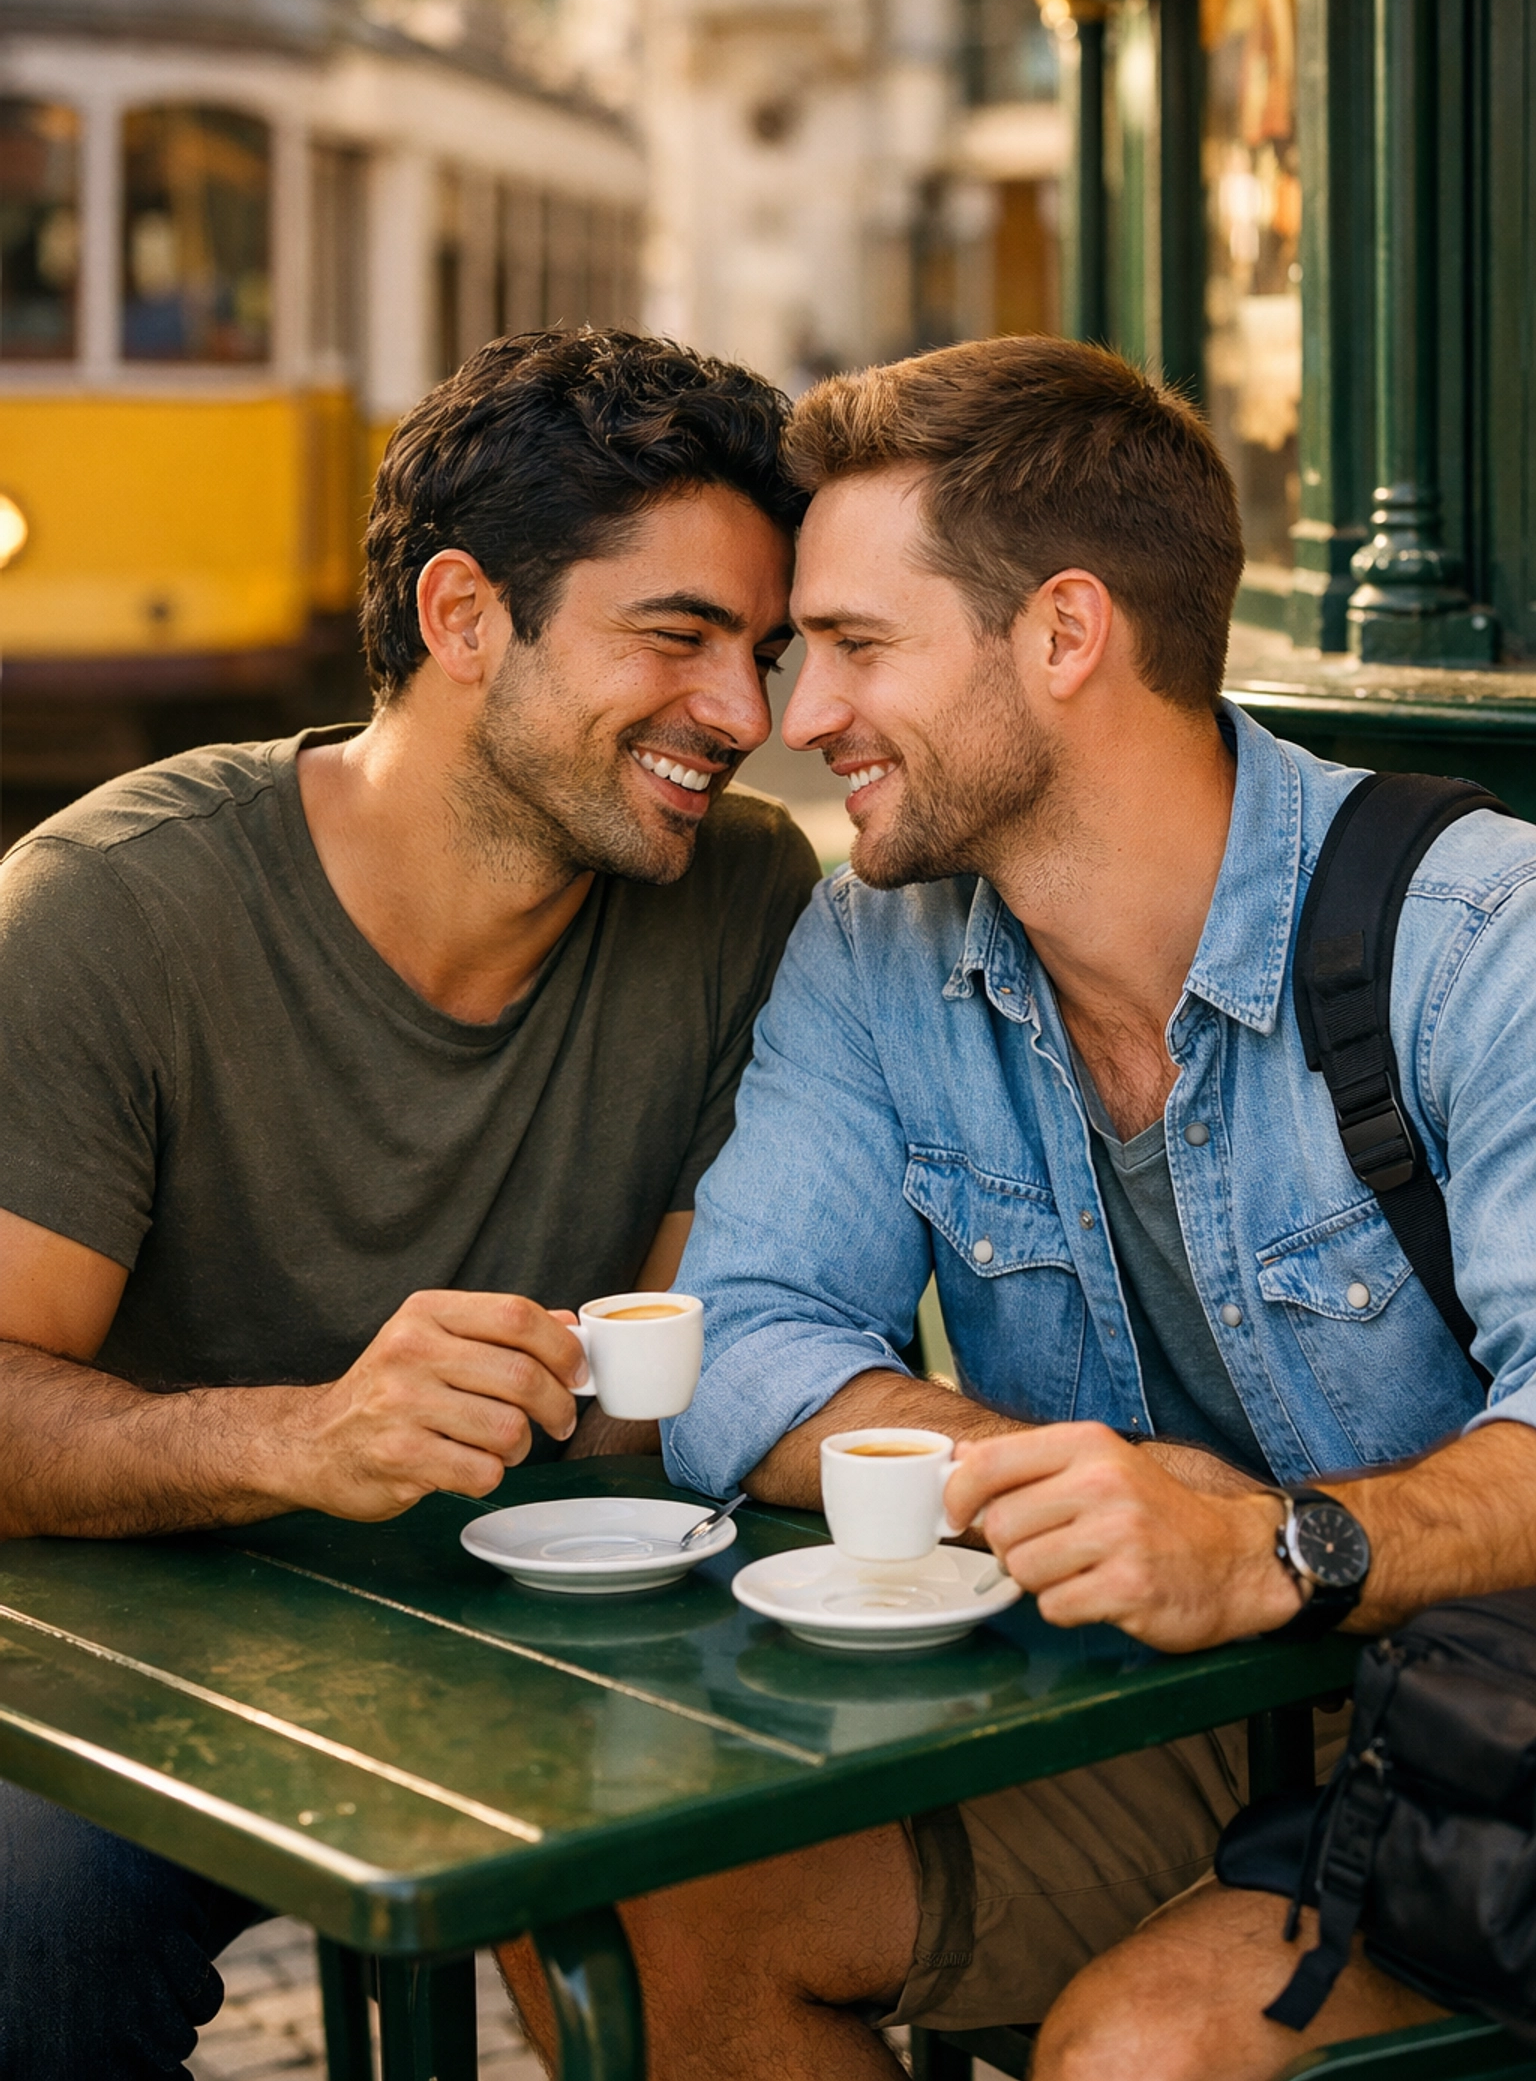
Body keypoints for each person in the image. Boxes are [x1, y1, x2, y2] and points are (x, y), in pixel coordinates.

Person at [498, 336, 1536, 2081]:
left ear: (1066, 634)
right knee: (627, 1907)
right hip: (1193, 1715)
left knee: (1137, 2050)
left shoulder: (1481, 940)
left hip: (1488, 1729)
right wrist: (1033, 1483)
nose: (795, 719)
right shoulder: (878, 942)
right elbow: (749, 1337)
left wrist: (1276, 1547)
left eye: (853, 646)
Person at [0, 328, 818, 2077]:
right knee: (24, 1928)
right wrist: (296, 1440)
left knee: (726, 1945)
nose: (747, 718)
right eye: (676, 637)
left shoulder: (742, 889)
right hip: (140, 1639)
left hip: (549, 1619)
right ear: (462, 618)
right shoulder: (109, 909)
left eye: (766, 652)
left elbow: (679, 1359)